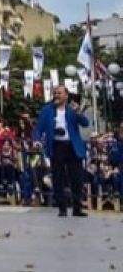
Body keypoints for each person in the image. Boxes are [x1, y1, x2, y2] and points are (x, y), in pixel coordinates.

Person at [34, 84, 90, 217]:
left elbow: (85, 123)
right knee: (58, 178)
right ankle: (62, 207)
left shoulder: (72, 109)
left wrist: (78, 112)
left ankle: (77, 208)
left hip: (72, 146)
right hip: (56, 145)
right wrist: (36, 140)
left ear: (66, 95)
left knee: (76, 178)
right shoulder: (47, 110)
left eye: (59, 93)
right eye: (55, 93)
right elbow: (39, 128)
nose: (56, 95)